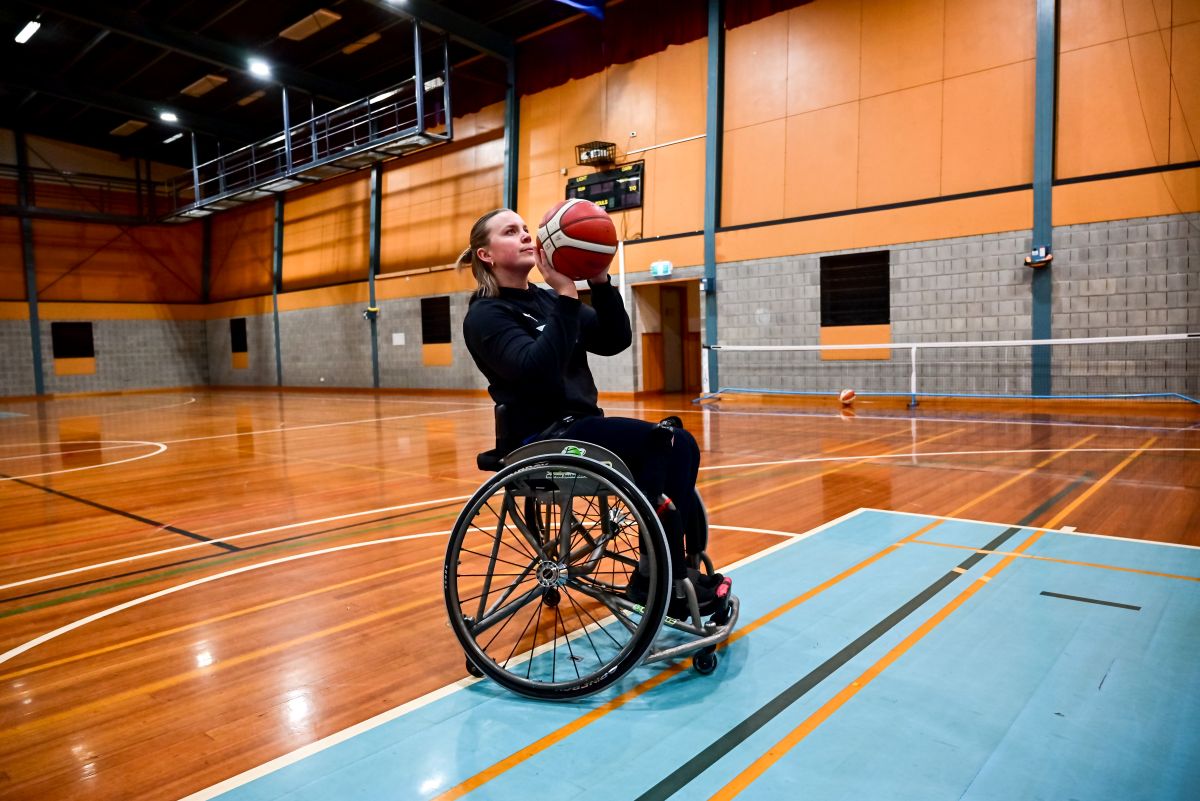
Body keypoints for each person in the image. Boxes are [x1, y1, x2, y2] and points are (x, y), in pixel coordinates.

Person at [458, 208, 730, 618]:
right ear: (486, 255)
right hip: (538, 438)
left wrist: (599, 280)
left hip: (581, 429)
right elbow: (535, 370)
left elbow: (613, 338)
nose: (527, 236)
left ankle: (660, 572)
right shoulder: (486, 314)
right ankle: (663, 580)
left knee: (682, 443)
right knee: (661, 444)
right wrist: (567, 297)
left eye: (527, 229)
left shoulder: (546, 299)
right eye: (511, 232)